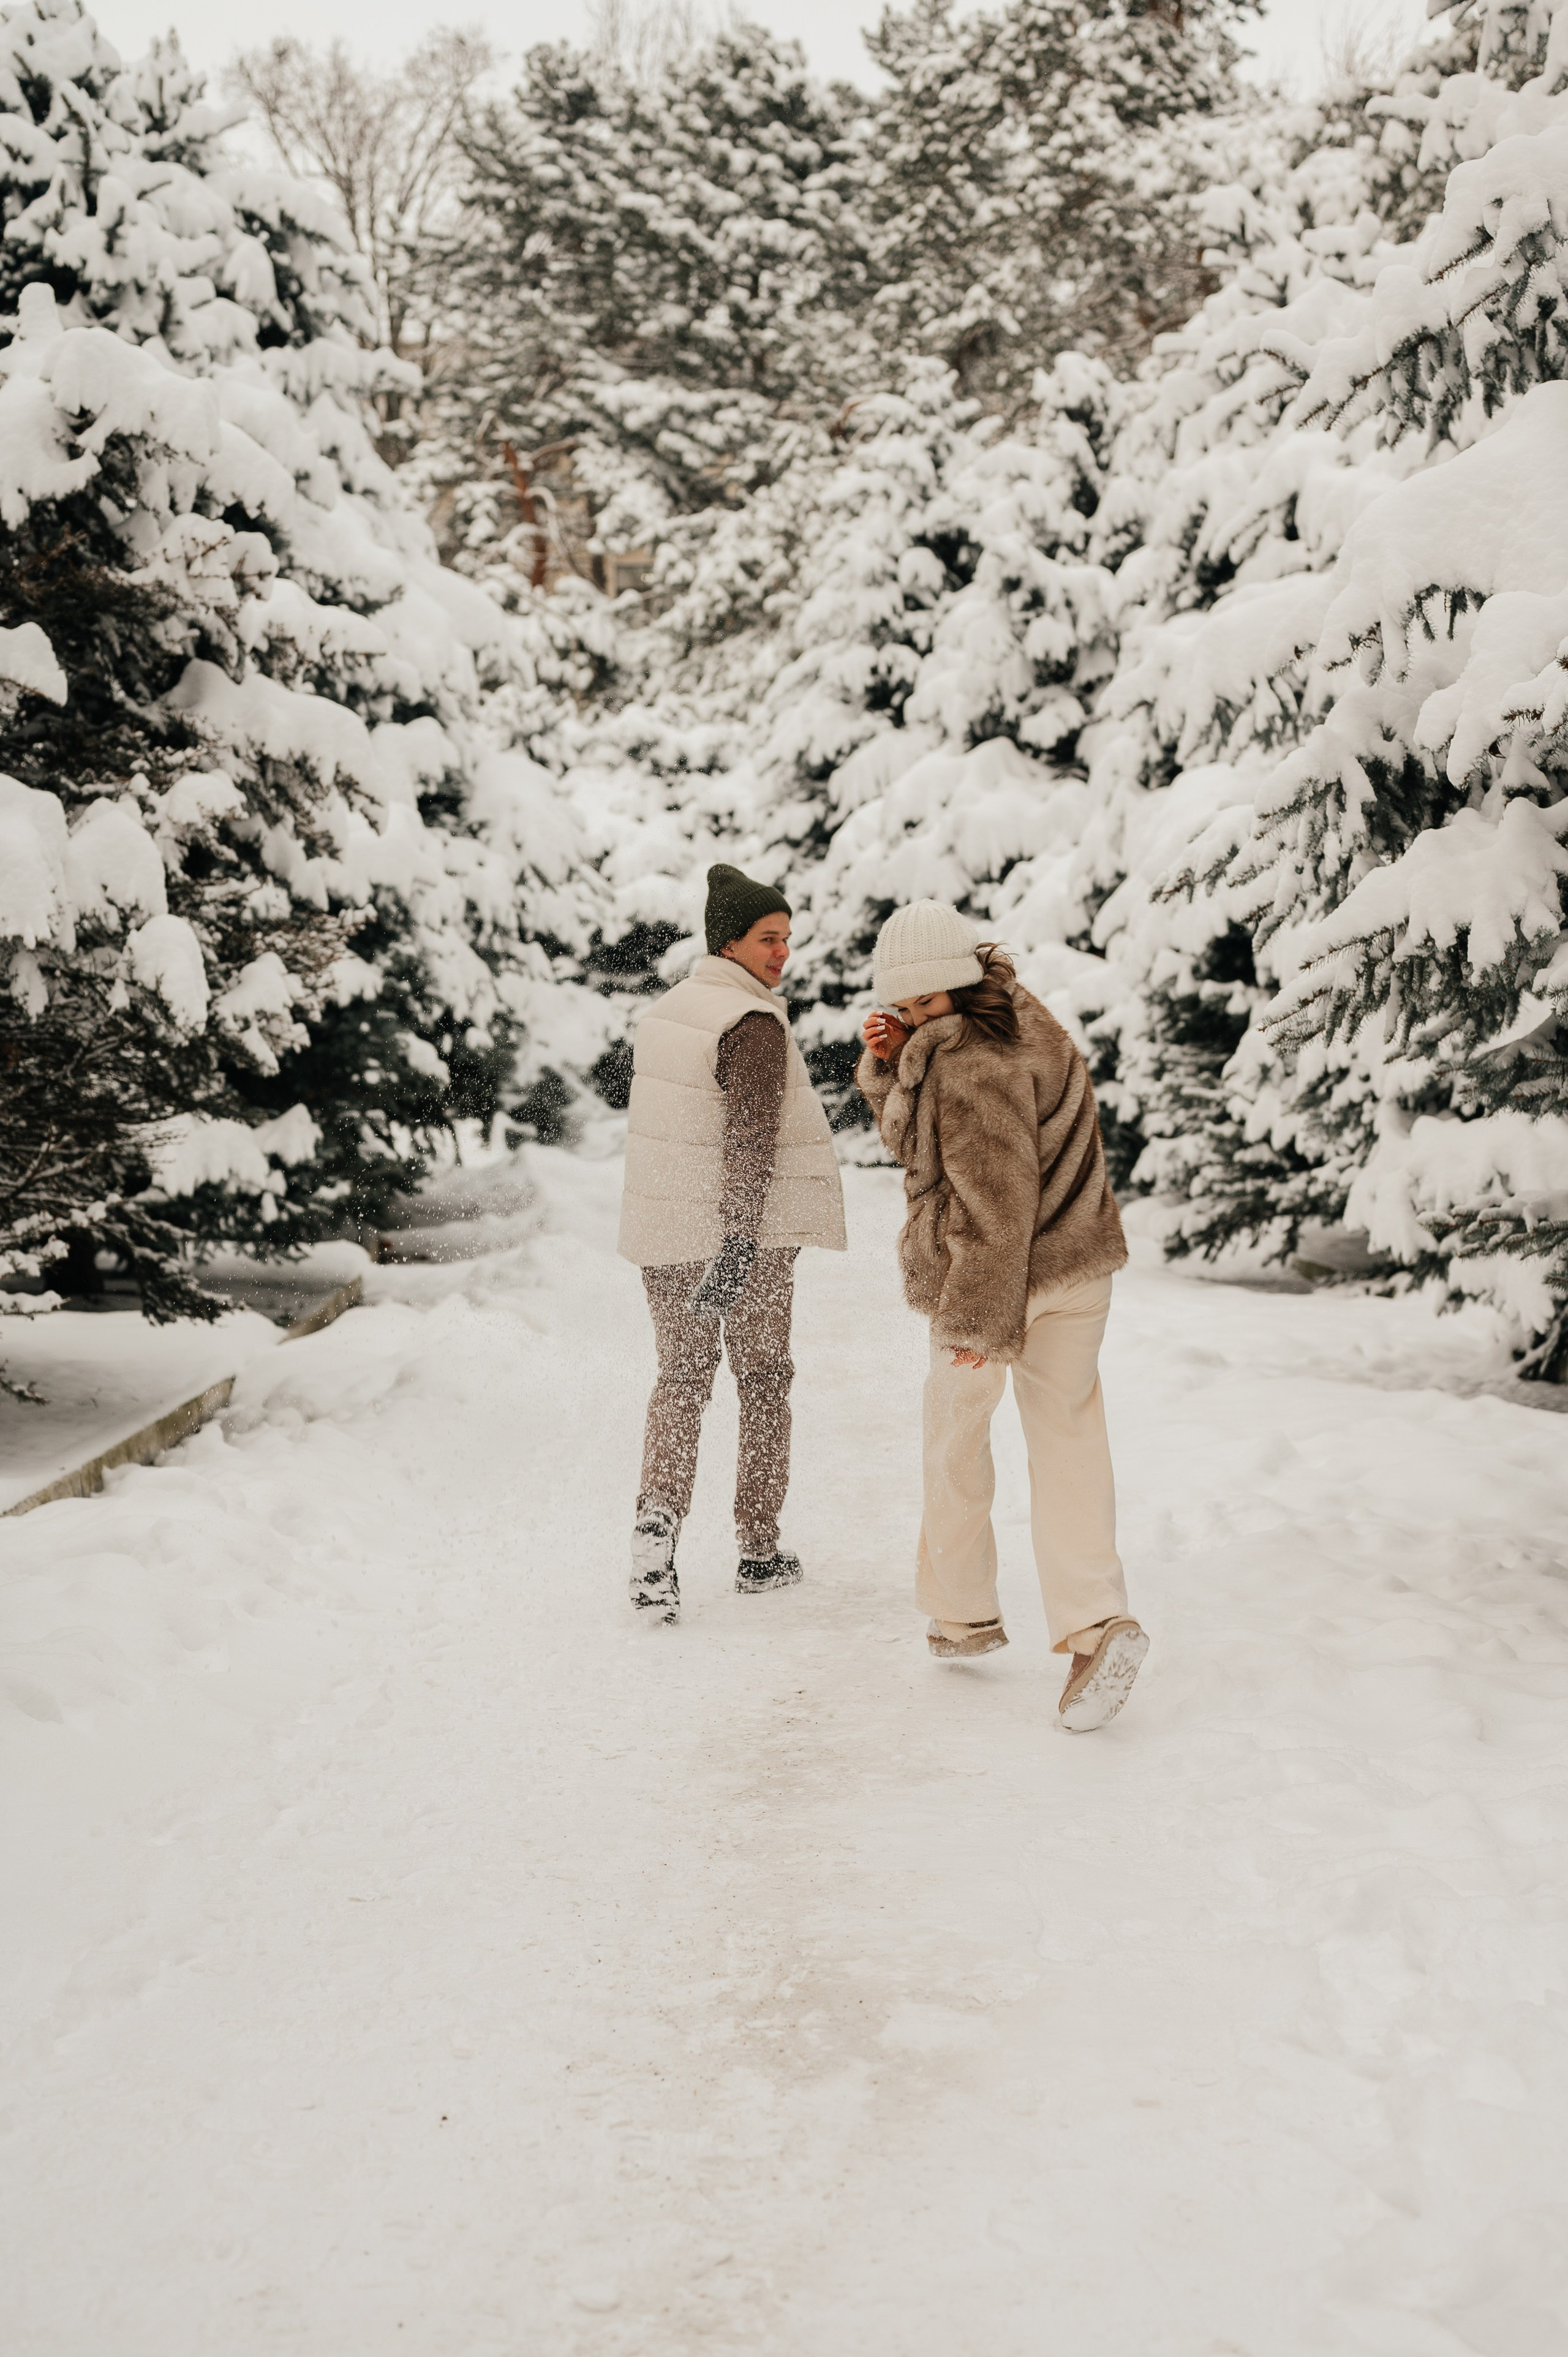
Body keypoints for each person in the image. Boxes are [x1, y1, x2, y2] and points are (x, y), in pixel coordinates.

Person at [857, 900, 1147, 1732]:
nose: (909, 1018)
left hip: (997, 1283)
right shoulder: (1025, 1018)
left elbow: (993, 1208)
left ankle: (962, 1611)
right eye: (901, 1008)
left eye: (918, 1006)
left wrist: (980, 1328)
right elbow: (929, 1143)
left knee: (954, 1436)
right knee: (1069, 1440)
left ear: (952, 983)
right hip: (1079, 1270)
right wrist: (890, 1063)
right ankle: (1097, 1625)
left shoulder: (970, 1065)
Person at [617, 864, 846, 1623]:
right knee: (763, 1380)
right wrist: (741, 1241)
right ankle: (757, 1548)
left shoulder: (668, 1011)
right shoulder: (748, 1022)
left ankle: (655, 1540)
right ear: (729, 941)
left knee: (681, 1379)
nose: (783, 954)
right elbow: (751, 1137)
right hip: (736, 1237)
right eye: (768, 939)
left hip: (667, 1233)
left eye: (788, 938)